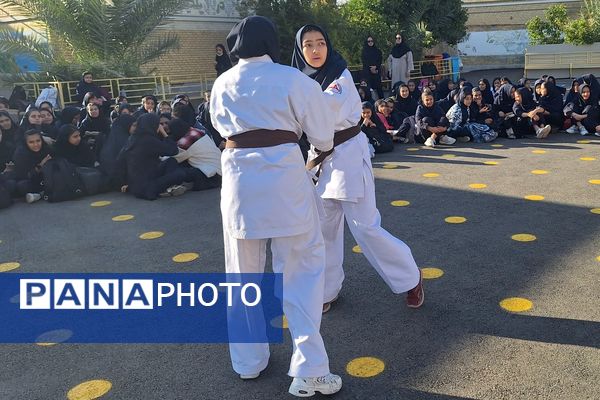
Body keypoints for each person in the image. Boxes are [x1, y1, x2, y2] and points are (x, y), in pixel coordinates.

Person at [210, 16, 342, 397]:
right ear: (272, 43)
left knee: (242, 275)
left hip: (239, 185)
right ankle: (310, 370)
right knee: (301, 273)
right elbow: (323, 136)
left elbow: (218, 128)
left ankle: (248, 362)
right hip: (286, 183)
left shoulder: (221, 83)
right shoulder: (293, 80)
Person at [292, 24, 424, 317]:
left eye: (320, 43)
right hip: (319, 159)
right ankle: (326, 290)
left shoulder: (340, 76)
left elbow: (321, 109)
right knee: (324, 231)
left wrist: (286, 105)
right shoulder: (299, 81)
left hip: (347, 157)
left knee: (365, 227)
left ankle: (410, 277)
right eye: (308, 45)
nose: (315, 50)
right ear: (299, 51)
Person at [116, 113, 187, 200]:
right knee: (180, 174)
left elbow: (120, 160)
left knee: (171, 161)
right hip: (147, 187)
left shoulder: (133, 138)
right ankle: (168, 188)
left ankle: (169, 187)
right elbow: (173, 150)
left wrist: (126, 182)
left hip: (137, 184)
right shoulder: (149, 140)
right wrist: (164, 134)